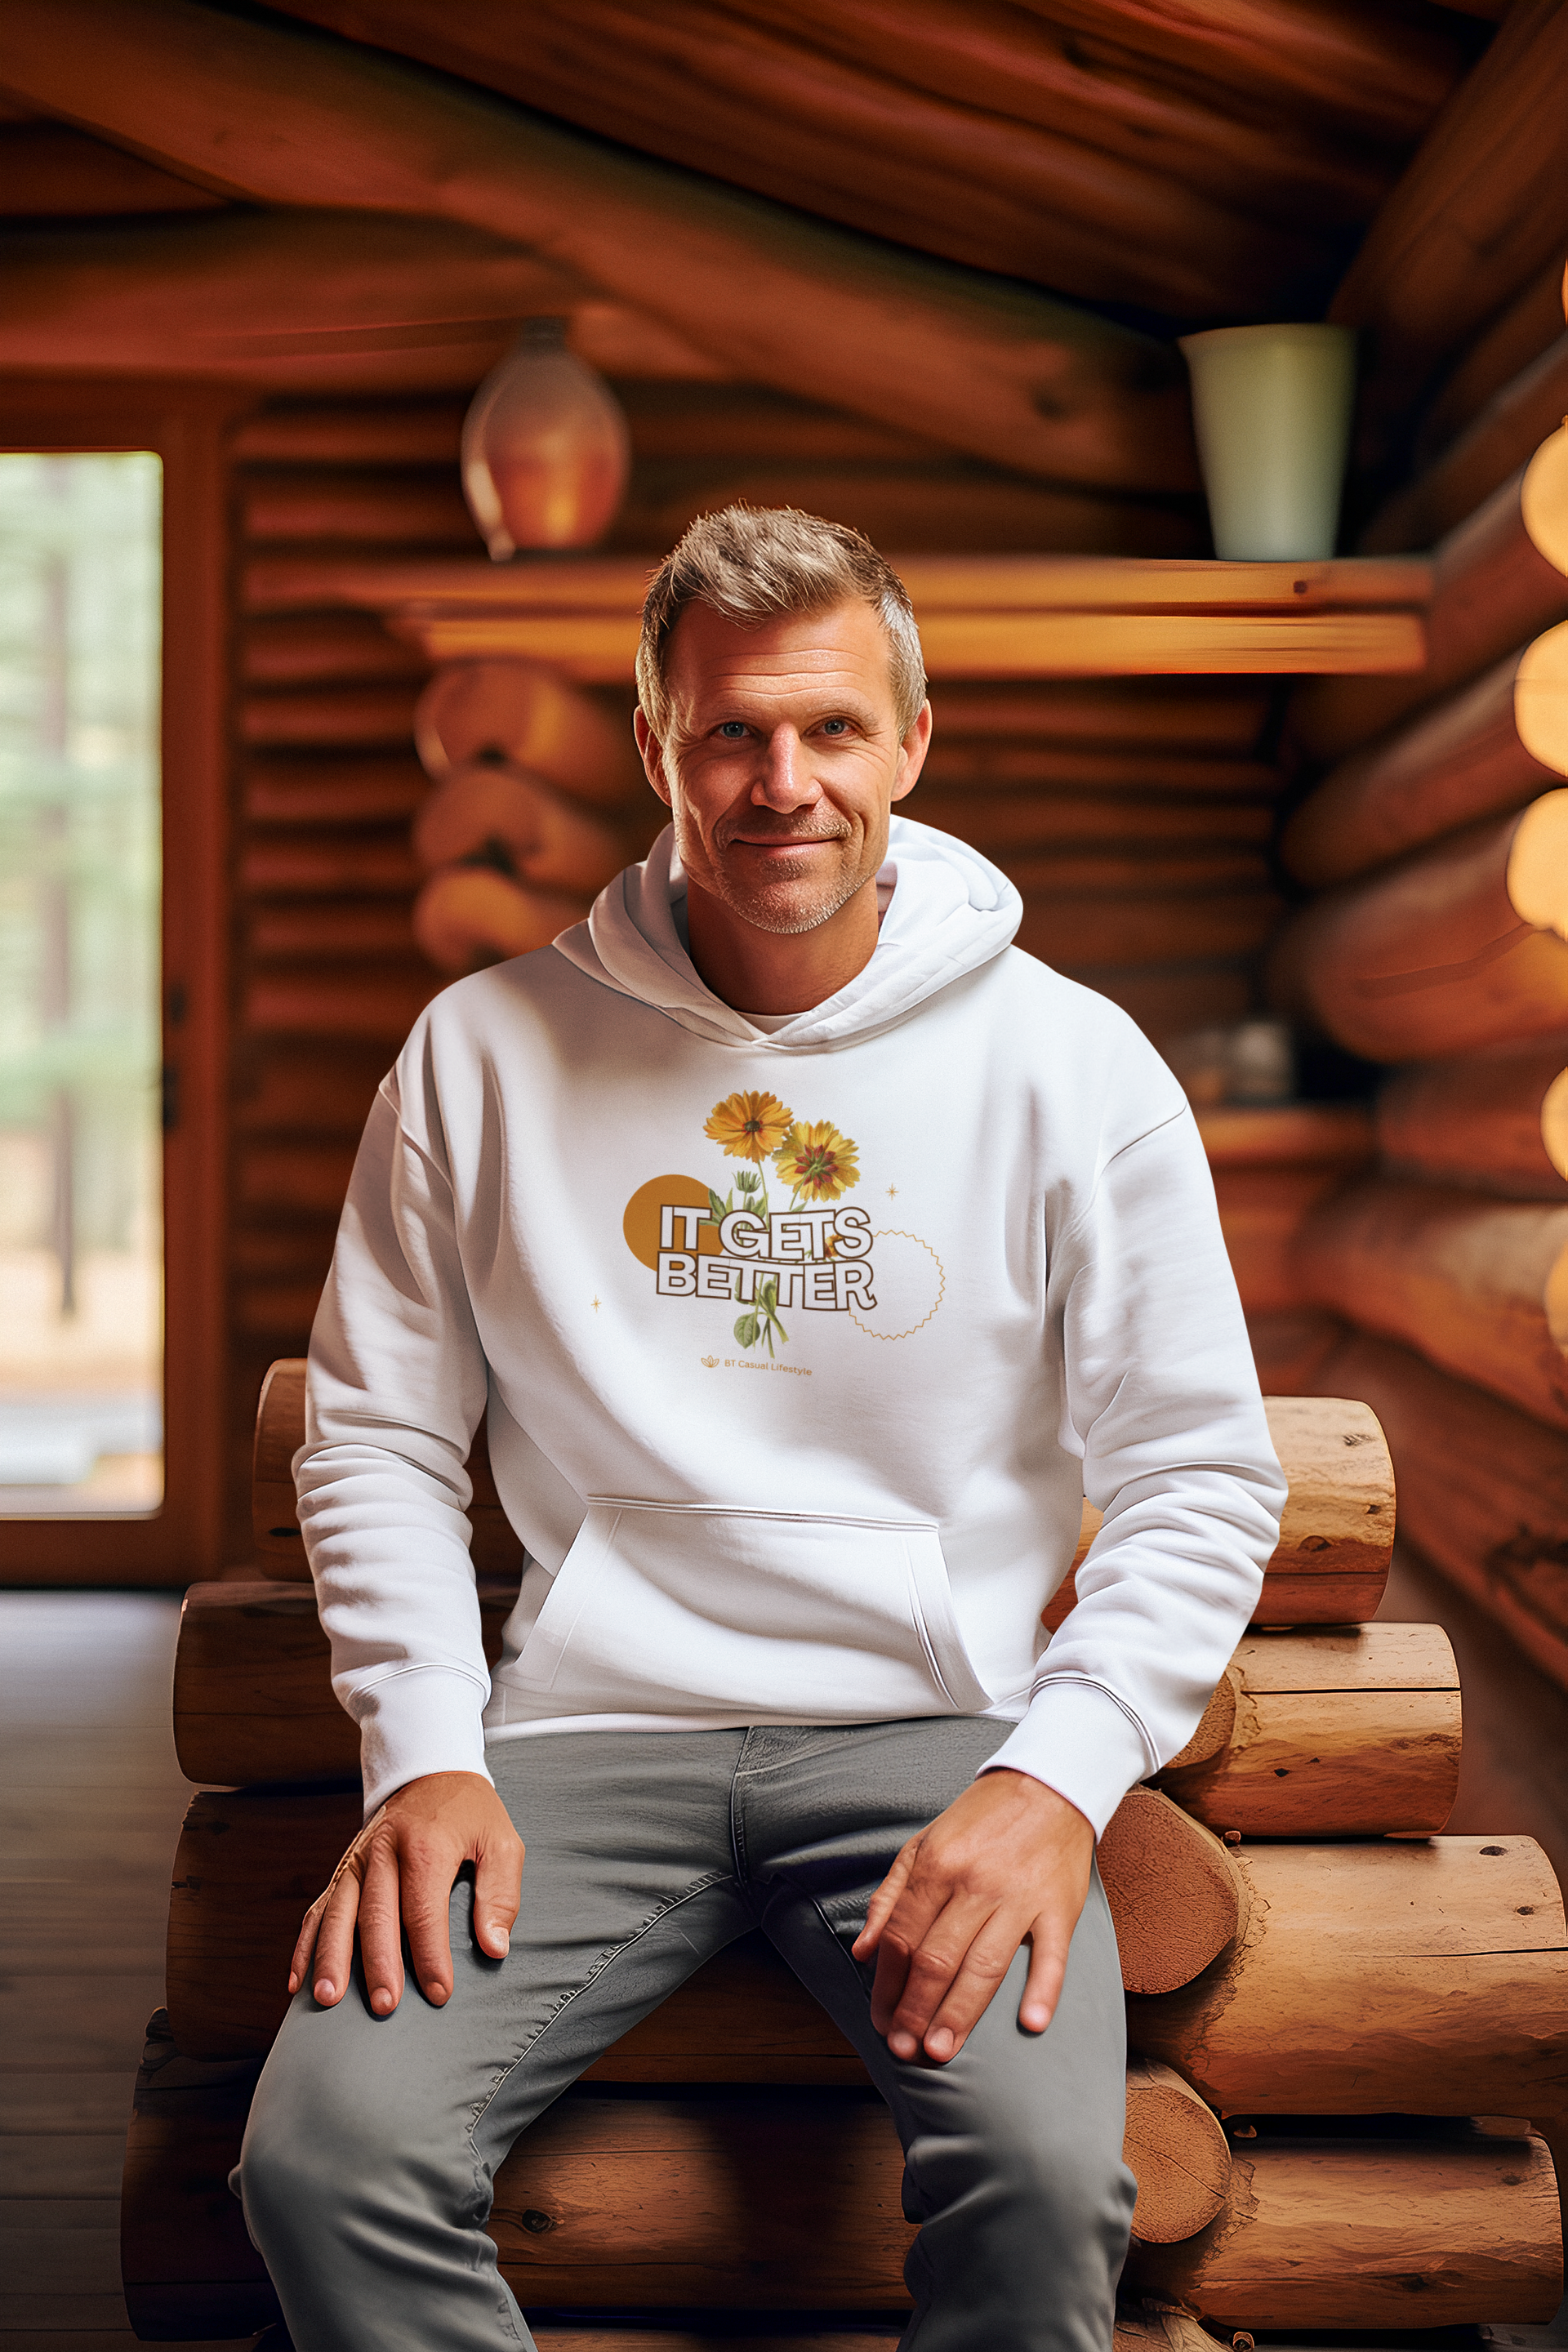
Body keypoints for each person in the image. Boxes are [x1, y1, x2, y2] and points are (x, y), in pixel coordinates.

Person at [239, 505, 1285, 2352]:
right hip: (580, 1737)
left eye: (828, 730)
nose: (778, 782)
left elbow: (1199, 1471)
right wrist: (420, 1751)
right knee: (324, 2163)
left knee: (1049, 2192)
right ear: (655, 748)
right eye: (728, 731)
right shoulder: (476, 1058)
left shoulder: (1074, 1066)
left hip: (942, 1737)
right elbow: (376, 1433)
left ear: (911, 745)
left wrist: (1058, 1780)